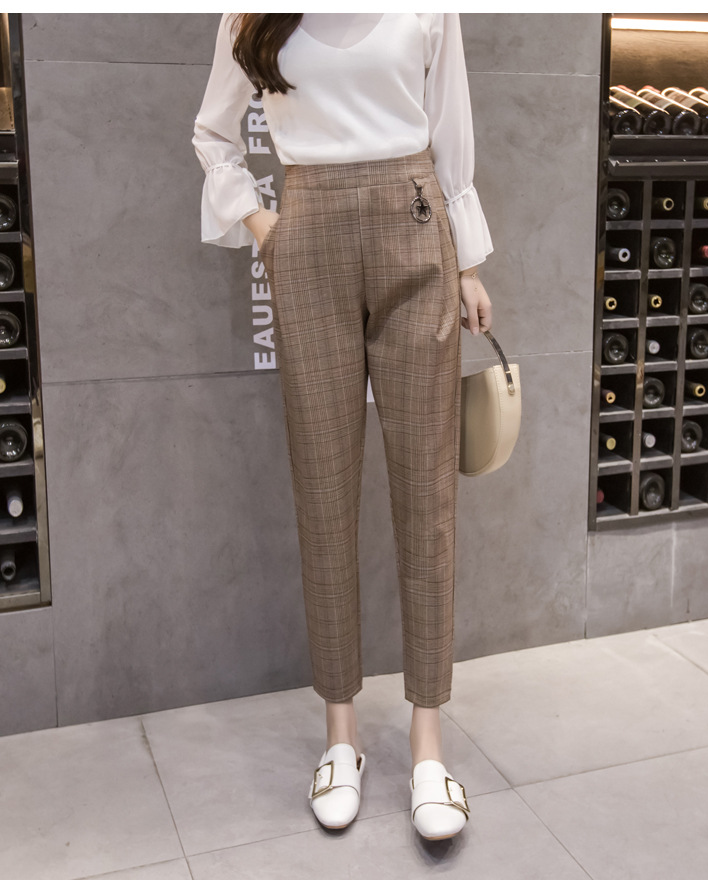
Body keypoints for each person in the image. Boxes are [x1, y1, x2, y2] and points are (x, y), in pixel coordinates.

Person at [192, 12, 494, 841]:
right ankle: (341, 736)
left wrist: (468, 263)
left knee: (426, 492)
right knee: (323, 486)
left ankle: (428, 746)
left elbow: (451, 128)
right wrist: (267, 229)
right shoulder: (252, 14)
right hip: (309, 233)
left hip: (415, 226)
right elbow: (212, 133)